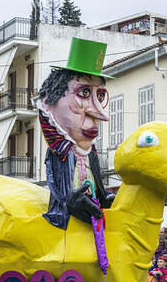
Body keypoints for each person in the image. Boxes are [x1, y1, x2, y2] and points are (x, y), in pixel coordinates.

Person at [36, 37, 115, 230]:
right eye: (84, 94)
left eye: (101, 95)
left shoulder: (91, 154)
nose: (101, 113)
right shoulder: (60, 153)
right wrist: (69, 203)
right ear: (48, 103)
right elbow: (57, 192)